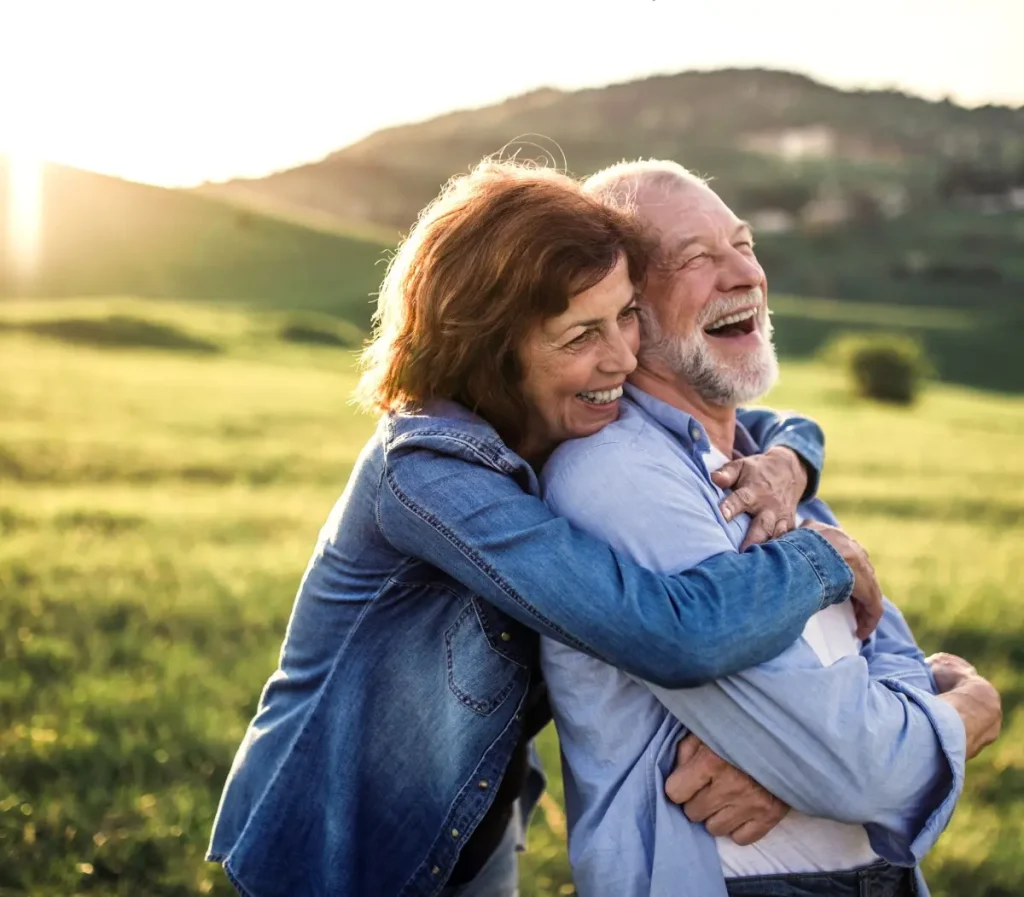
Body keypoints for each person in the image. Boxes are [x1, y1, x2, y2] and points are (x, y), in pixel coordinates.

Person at [205, 161, 883, 897]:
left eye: (625, 313)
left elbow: (754, 422)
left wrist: (789, 462)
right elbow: (667, 633)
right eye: (580, 335)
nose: (623, 356)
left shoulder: (553, 417)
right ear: (492, 348)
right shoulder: (428, 475)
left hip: (473, 828)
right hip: (340, 850)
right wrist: (821, 559)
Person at [540, 160, 1003, 897]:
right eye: (696, 258)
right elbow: (855, 766)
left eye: (743, 244)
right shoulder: (617, 475)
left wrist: (802, 770)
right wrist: (967, 710)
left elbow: (887, 657)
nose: (744, 275)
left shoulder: (766, 467)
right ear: (628, 310)